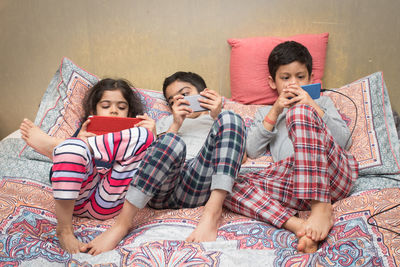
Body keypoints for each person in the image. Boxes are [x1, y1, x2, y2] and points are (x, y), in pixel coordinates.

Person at [81, 71, 247, 255]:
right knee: (170, 141)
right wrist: (175, 124)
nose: (180, 101)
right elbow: (149, 159)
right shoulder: (163, 122)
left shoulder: (219, 119)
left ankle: (212, 213)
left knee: (232, 117)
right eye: (172, 100)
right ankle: (122, 224)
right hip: (162, 187)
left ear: (203, 92)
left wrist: (217, 114)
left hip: (200, 183)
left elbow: (243, 156)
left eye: (185, 94)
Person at [224, 41, 359, 253]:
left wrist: (310, 105)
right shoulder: (266, 114)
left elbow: (344, 141)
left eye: (300, 77)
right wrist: (276, 109)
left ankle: (321, 207)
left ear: (311, 78)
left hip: (331, 175)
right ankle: (300, 226)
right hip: (294, 184)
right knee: (226, 184)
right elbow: (252, 150)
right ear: (272, 82)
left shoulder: (322, 103)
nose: (293, 83)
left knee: (299, 112)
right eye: (285, 78)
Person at [19, 78, 156, 254]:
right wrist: (80, 140)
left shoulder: (136, 136)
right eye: (106, 106)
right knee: (74, 148)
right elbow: (58, 175)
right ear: (94, 110)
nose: (114, 111)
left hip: (110, 202)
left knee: (144, 135)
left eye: (121, 108)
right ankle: (64, 230)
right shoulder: (82, 133)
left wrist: (153, 136)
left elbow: (152, 171)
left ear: (129, 112)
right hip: (76, 199)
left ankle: (56, 146)